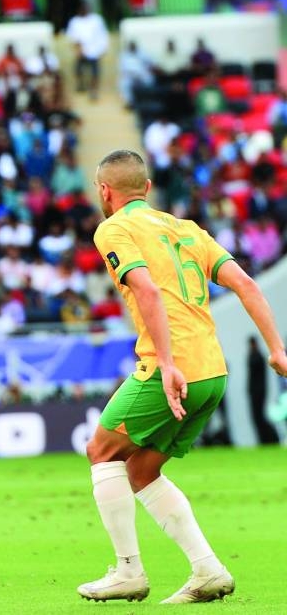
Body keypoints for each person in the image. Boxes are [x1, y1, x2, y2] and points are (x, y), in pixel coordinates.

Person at [78, 150, 287, 603]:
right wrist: (277, 348)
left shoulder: (113, 229)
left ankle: (128, 571)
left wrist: (168, 363)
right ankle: (207, 570)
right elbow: (247, 284)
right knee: (141, 468)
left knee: (101, 449)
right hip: (213, 371)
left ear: (104, 191)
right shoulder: (187, 229)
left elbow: (147, 289)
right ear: (148, 190)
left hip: (169, 368)